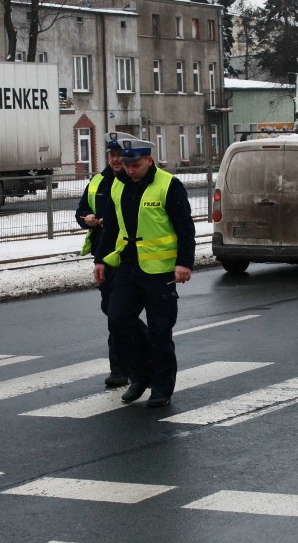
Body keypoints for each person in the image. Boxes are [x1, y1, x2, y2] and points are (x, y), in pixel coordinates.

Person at [93, 138, 196, 408]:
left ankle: (161, 387)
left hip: (161, 272)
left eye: (135, 165)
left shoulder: (168, 185)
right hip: (128, 267)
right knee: (117, 321)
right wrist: (101, 260)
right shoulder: (119, 185)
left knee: (160, 330)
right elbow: (111, 227)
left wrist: (184, 262)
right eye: (126, 166)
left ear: (150, 160)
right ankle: (140, 376)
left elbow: (185, 226)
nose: (130, 170)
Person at [75, 132, 144, 388]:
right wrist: (88, 219)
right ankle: (125, 364)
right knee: (112, 312)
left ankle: (123, 368)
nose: (115, 160)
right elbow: (81, 211)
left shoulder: (135, 181)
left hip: (130, 256)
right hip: (104, 256)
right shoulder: (97, 182)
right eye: (112, 155)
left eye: (119, 155)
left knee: (120, 314)